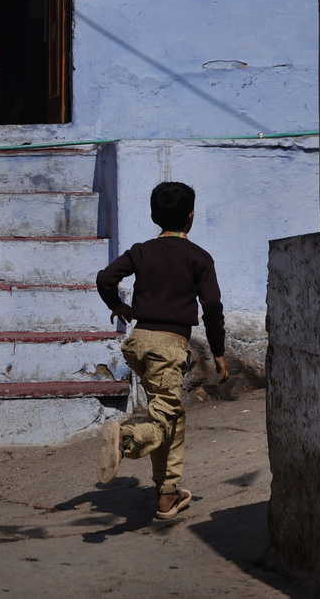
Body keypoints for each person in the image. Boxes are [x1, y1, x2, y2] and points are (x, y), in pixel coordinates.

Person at [94, 181, 229, 520]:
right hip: (169, 349)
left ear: (155, 216)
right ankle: (125, 438)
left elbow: (105, 278)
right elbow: (212, 306)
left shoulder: (142, 251)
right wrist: (219, 351)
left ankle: (167, 495)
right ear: (191, 217)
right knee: (161, 420)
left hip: (139, 344)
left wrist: (119, 306)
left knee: (170, 415)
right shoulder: (199, 257)